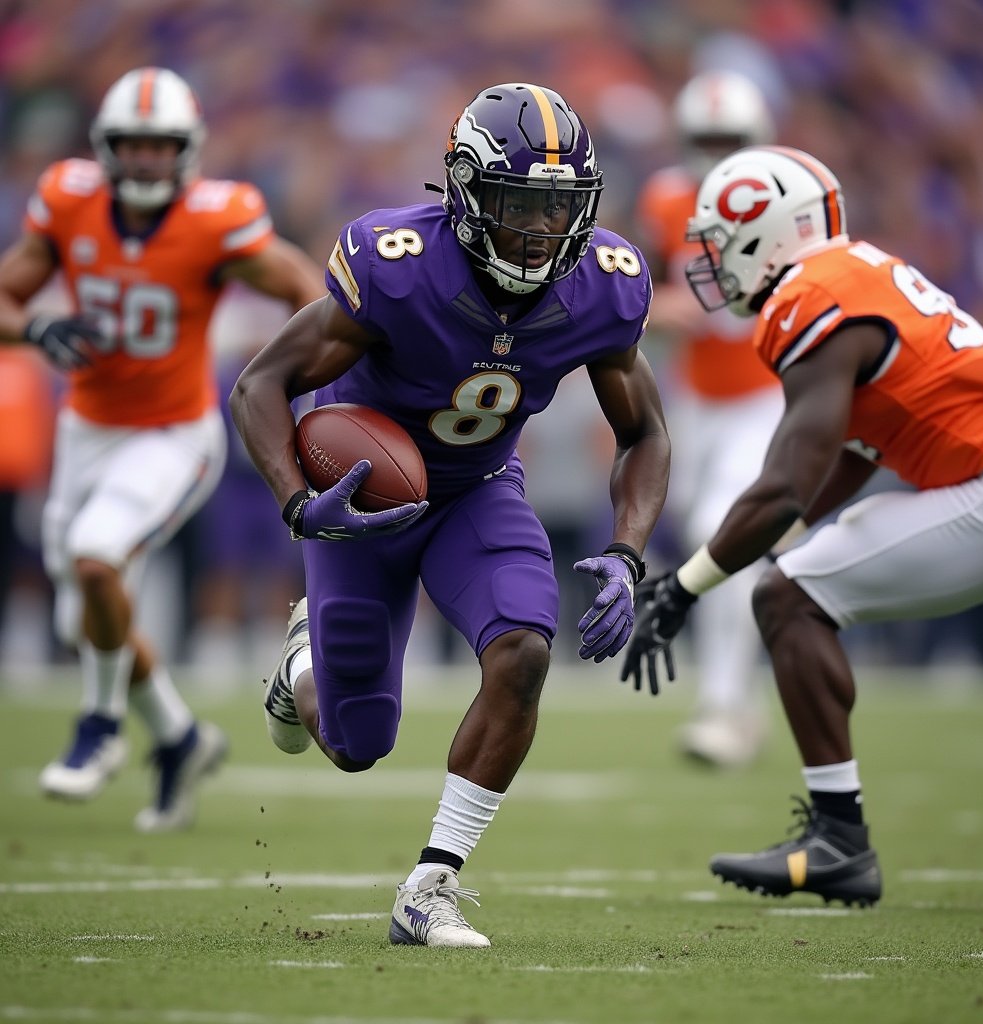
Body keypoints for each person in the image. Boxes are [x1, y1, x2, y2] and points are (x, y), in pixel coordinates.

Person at [230, 82, 670, 947]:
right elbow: (261, 383)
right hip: (364, 498)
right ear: (466, 193)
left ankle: (430, 885)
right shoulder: (396, 266)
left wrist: (625, 551)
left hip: (476, 487)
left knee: (524, 651)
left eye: (559, 208)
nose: (541, 230)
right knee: (358, 743)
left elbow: (646, 430)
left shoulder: (602, 287)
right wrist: (297, 502)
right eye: (518, 204)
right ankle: (303, 664)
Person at [621, 144, 983, 908]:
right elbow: (855, 452)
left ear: (766, 233)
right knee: (800, 571)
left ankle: (838, 836)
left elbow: (781, 486)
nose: (707, 265)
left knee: (792, 597)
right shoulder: (858, 270)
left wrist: (684, 588)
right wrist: (774, 538)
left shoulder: (808, 296)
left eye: (716, 246)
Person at [0, 67, 325, 831]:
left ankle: (100, 729)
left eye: (160, 146)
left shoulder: (219, 219)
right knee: (89, 614)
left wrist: (294, 375)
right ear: (106, 149)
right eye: (132, 146)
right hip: (86, 429)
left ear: (188, 150)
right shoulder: (70, 200)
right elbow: (7, 296)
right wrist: (36, 328)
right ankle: (178, 739)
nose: (146, 161)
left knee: (95, 556)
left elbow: (307, 290)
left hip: (175, 433)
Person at [635, 69, 781, 767]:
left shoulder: (784, 198)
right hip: (695, 398)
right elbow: (640, 286)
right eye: (709, 139)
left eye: (732, 139)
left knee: (720, 533)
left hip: (766, 391)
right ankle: (739, 698)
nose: (719, 152)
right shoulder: (667, 198)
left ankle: (725, 705)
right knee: (701, 541)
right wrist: (659, 309)